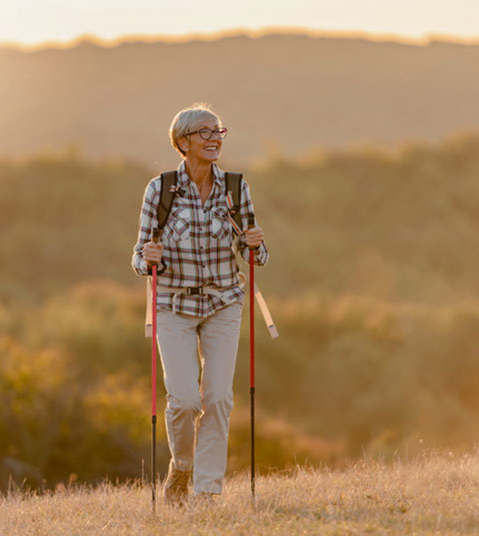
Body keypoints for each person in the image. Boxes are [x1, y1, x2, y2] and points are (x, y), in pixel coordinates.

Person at [131, 103, 268, 504]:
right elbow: (139, 255)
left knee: (219, 397)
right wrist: (148, 260)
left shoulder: (235, 187)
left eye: (218, 132)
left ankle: (207, 493)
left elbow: (254, 253)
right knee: (186, 400)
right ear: (183, 142)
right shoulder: (161, 189)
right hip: (173, 305)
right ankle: (183, 468)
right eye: (205, 133)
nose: (214, 139)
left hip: (224, 303)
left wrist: (257, 246)